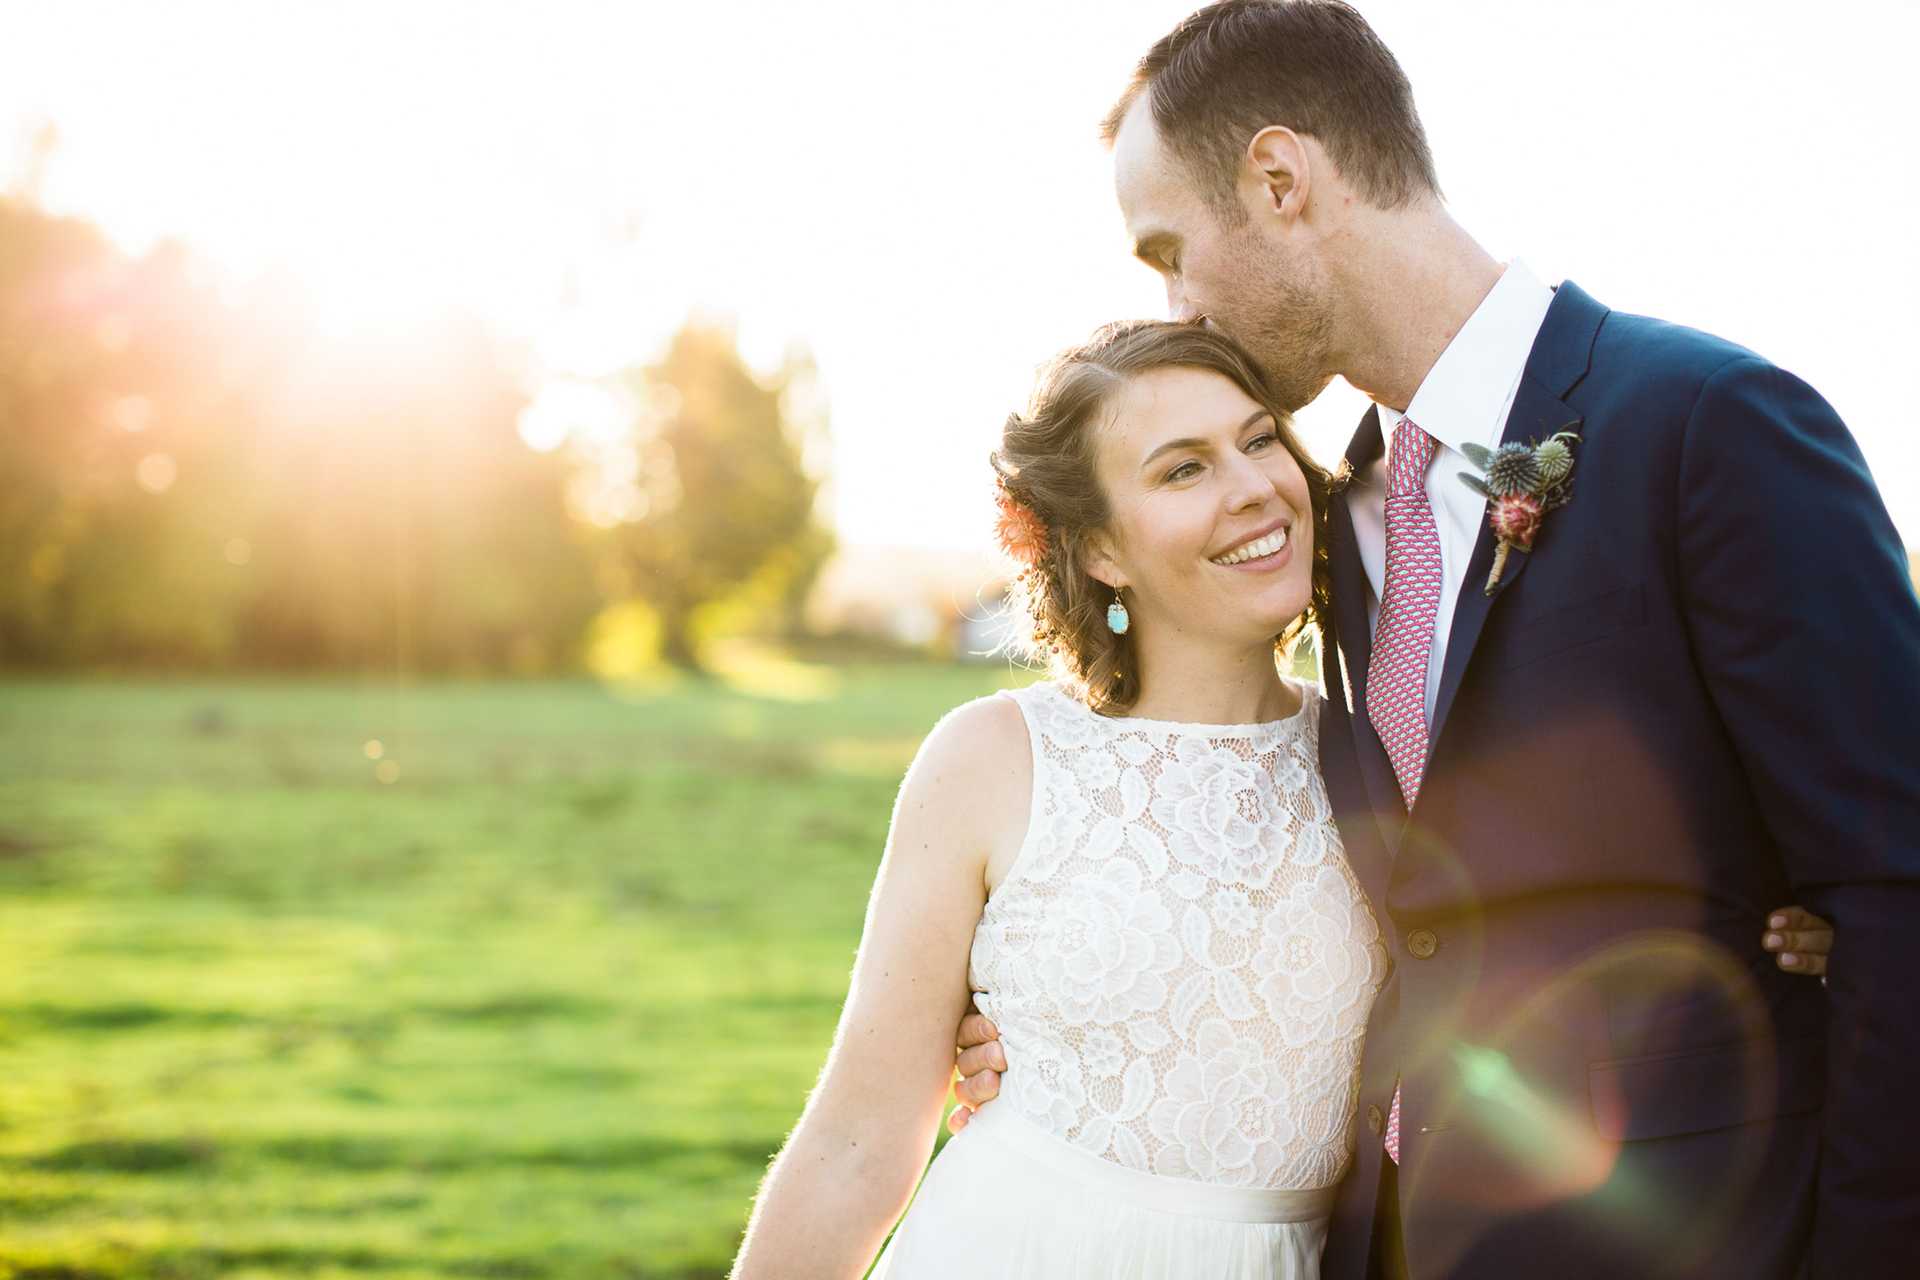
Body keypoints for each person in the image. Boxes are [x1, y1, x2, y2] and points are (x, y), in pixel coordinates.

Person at [948, 3, 1916, 1277]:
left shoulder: (1707, 425)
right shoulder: (1333, 512)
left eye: (1170, 252)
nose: (1176, 304)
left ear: (1282, 180)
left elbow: (1897, 890)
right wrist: (1067, 1015)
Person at [731, 317, 1835, 1279]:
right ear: (1102, 549)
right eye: (1182, 469)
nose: (1253, 485)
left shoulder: (1375, 758)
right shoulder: (994, 756)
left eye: (1259, 439)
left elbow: (1562, 921)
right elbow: (855, 1141)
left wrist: (1792, 918)